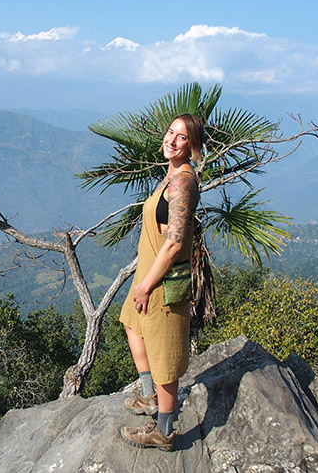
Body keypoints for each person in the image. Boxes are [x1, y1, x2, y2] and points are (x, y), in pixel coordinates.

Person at [119, 113, 203, 451]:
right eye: (171, 132)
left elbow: (175, 243)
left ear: (192, 145)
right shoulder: (170, 175)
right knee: (132, 321)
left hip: (163, 280)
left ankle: (164, 430)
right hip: (149, 273)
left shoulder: (183, 181)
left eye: (181, 137)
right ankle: (149, 395)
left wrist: (146, 285)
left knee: (165, 353)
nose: (172, 140)